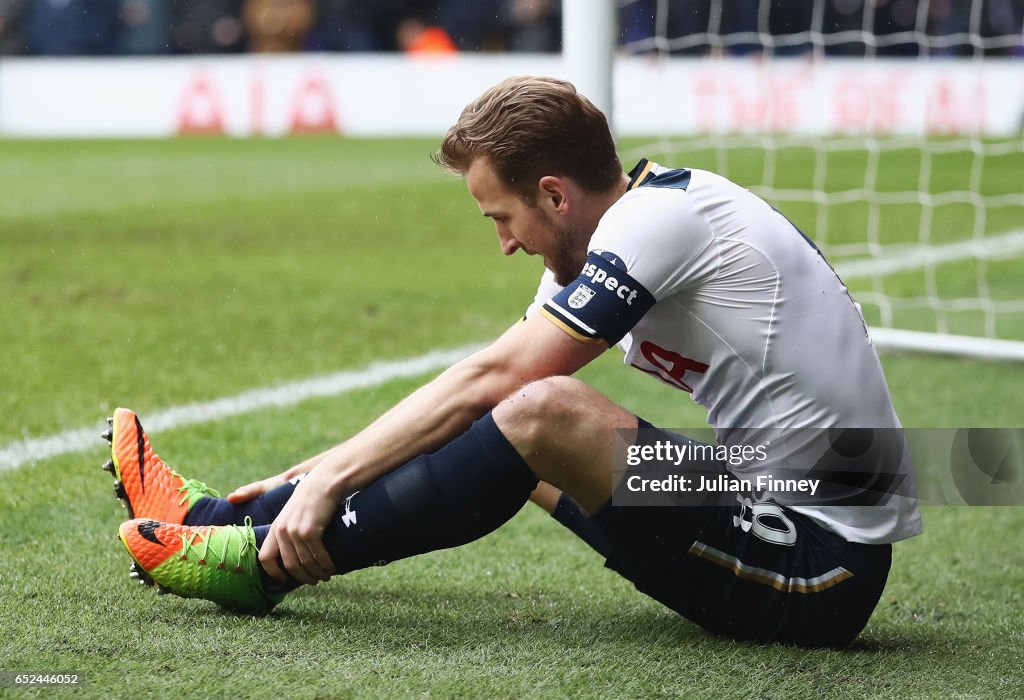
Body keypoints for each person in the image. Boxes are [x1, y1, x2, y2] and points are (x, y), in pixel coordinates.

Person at [109, 76, 921, 647]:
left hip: (822, 569)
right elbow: (469, 398)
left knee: (542, 413)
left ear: (555, 194)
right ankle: (222, 525)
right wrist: (302, 478)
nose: (504, 242)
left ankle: (259, 569)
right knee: (504, 432)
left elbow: (505, 384)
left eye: (503, 216)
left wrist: (325, 486)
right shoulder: (616, 229)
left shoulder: (661, 225)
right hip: (759, 492)